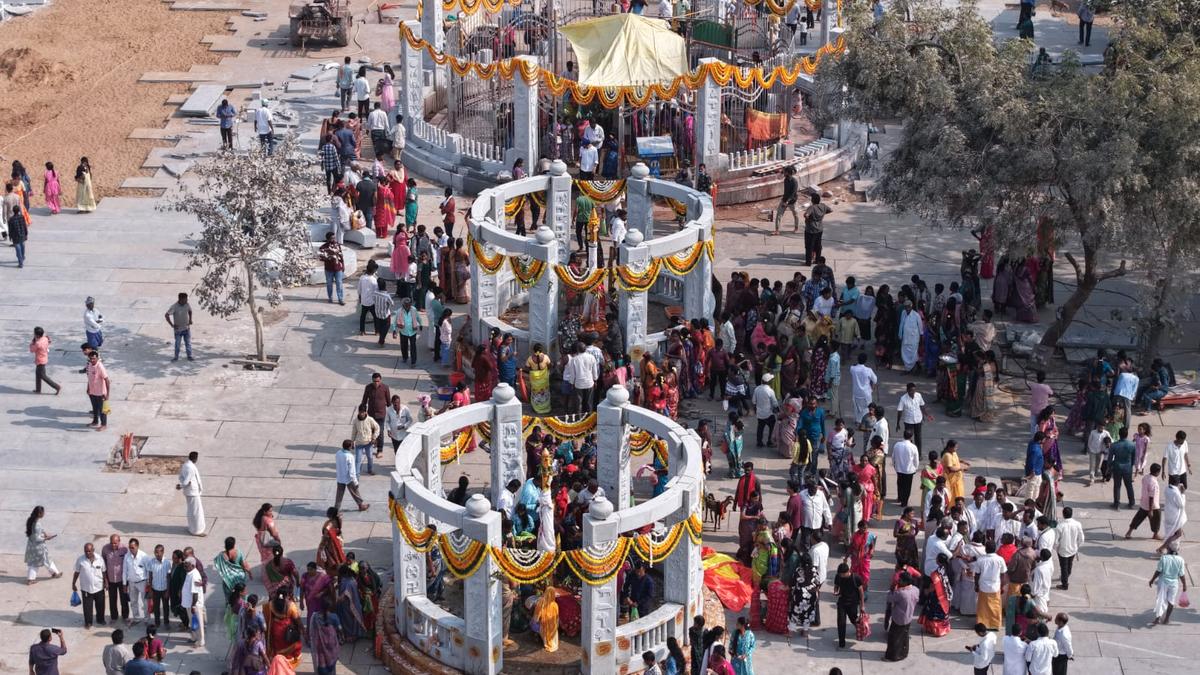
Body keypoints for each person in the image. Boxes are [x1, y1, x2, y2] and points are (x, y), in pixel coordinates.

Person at [883, 571, 919, 661]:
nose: (899, 581)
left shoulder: (901, 593)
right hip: (909, 617)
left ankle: (892, 656)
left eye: (900, 580)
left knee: (893, 638)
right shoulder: (915, 589)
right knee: (904, 636)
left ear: (905, 582)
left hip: (899, 619)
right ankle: (904, 653)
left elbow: (889, 598)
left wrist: (892, 590)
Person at [263, 588, 303, 668]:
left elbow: (267, 616)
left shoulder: (270, 604)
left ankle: (278, 665)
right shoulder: (291, 605)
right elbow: (297, 619)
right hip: (287, 631)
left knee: (277, 648)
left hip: (275, 630)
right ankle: (287, 668)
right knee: (290, 650)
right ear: (287, 595)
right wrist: (301, 630)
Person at [1151, 540, 1188, 625]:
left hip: (1163, 582)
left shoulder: (1164, 558)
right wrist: (1184, 585)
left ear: (1168, 549)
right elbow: (1182, 574)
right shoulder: (1181, 560)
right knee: (1171, 601)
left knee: (1161, 599)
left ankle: (1157, 618)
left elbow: (1158, 571)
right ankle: (1166, 619)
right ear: (1177, 549)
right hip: (1174, 583)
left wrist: (1152, 580)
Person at [971, 541, 1006, 630]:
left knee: (983, 607)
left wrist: (976, 585)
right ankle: (995, 624)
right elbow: (1003, 574)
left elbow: (977, 574)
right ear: (995, 549)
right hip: (995, 586)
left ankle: (983, 624)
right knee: (996, 606)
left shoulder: (981, 560)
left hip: (983, 586)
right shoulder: (1000, 559)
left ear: (986, 549)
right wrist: (1002, 586)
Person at [832, 562, 864, 649]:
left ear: (848, 571)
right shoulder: (838, 576)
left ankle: (860, 629)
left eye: (843, 574)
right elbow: (836, 586)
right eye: (840, 574)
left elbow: (861, 592)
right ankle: (841, 643)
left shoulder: (856, 578)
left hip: (853, 603)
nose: (841, 576)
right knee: (841, 622)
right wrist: (835, 591)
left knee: (854, 619)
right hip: (842, 602)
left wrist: (862, 606)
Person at [334, 440, 370, 512]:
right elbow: (352, 472)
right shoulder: (349, 456)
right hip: (348, 479)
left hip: (340, 477)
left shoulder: (338, 453)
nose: (353, 446)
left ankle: (336, 510)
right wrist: (355, 481)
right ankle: (360, 505)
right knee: (355, 492)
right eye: (352, 445)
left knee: (339, 495)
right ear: (349, 447)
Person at [176, 451, 206, 535]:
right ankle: (197, 530)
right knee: (196, 511)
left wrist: (183, 484)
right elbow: (186, 480)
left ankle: (192, 527)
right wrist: (182, 485)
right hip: (193, 492)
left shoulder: (185, 465)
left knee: (191, 510)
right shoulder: (190, 468)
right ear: (195, 458)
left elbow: (180, 477)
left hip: (189, 492)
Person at [309, 603, 343, 675]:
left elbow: (313, 629)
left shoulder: (315, 616)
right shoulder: (334, 616)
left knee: (321, 660)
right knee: (332, 658)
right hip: (332, 643)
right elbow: (340, 629)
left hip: (320, 643)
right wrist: (342, 637)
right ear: (330, 607)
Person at [123, 538, 150, 625]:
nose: (131, 549)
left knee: (145, 602)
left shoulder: (144, 556)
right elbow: (124, 571)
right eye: (130, 547)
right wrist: (124, 584)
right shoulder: (127, 556)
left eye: (133, 547)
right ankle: (136, 618)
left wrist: (149, 583)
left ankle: (146, 619)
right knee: (133, 601)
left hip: (142, 582)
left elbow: (149, 570)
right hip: (131, 583)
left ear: (137, 546)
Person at [896, 383, 930, 451]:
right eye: (911, 391)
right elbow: (900, 411)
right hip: (908, 421)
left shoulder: (918, 395)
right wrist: (898, 423)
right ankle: (909, 452)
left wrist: (926, 414)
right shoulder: (903, 399)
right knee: (908, 438)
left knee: (918, 437)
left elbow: (922, 406)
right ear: (907, 390)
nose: (913, 392)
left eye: (914, 390)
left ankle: (918, 453)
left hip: (918, 420)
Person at [28, 327, 61, 396]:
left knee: (43, 376)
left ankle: (57, 387)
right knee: (37, 374)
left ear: (37, 335)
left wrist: (32, 343)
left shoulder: (38, 343)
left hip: (40, 360)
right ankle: (38, 389)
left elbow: (32, 350)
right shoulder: (45, 338)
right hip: (44, 358)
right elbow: (49, 341)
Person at [181, 557, 206, 646]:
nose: (185, 565)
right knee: (192, 622)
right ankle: (194, 637)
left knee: (198, 623)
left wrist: (193, 606)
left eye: (187, 564)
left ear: (192, 565)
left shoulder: (194, 575)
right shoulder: (189, 573)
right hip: (189, 603)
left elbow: (195, 594)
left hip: (195, 605)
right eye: (184, 564)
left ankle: (201, 640)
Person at [892, 429, 920, 507]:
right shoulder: (913, 447)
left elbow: (893, 457)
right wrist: (915, 468)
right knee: (907, 487)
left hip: (899, 469)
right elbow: (916, 459)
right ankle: (904, 501)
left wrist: (895, 465)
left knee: (900, 483)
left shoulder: (897, 445)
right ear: (911, 437)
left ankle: (900, 497)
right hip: (909, 470)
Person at [803, 193, 832, 264]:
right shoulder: (823, 206)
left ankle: (808, 262)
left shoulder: (811, 208)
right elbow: (830, 210)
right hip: (819, 229)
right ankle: (817, 260)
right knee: (818, 245)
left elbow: (806, 215)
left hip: (810, 230)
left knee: (809, 246)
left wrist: (807, 218)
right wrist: (822, 214)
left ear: (813, 200)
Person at [164, 292, 194, 361]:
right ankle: (176, 357)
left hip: (187, 328)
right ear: (180, 299)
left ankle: (189, 356)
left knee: (188, 343)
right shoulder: (174, 307)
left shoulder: (187, 304)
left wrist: (190, 320)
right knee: (177, 344)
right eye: (185, 300)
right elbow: (166, 315)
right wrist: (172, 325)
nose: (186, 301)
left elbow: (190, 311)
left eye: (187, 299)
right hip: (178, 330)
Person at [85, 349, 110, 430]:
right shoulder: (89, 365)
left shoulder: (100, 367)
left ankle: (104, 424)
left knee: (102, 410)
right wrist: (88, 388)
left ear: (97, 358)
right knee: (94, 408)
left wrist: (107, 394)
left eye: (94, 359)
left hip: (100, 392)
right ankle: (95, 421)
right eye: (91, 358)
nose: (92, 360)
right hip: (92, 391)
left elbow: (107, 380)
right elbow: (89, 378)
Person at [774, 166, 799, 236]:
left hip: (792, 201)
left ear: (788, 173)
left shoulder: (794, 182)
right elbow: (786, 192)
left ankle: (796, 228)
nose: (783, 173)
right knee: (779, 214)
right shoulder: (786, 180)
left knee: (795, 214)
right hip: (784, 199)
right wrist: (784, 201)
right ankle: (777, 230)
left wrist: (787, 202)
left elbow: (793, 193)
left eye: (785, 172)